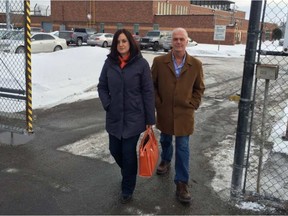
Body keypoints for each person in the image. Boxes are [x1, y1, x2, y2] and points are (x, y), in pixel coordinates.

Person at [97, 29, 155, 204]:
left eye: (124, 41)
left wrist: (149, 119)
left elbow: (147, 91)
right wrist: (108, 104)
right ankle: (128, 173)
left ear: (130, 43)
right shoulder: (109, 63)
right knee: (115, 150)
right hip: (114, 116)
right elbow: (101, 86)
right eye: (118, 42)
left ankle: (127, 188)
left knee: (128, 153)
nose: (121, 44)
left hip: (134, 117)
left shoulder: (141, 64)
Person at [151, 27, 205, 203]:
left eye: (182, 39)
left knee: (183, 148)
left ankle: (182, 183)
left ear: (187, 41)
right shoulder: (159, 62)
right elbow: (152, 85)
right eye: (175, 39)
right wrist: (157, 102)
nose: (179, 42)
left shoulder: (195, 64)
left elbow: (199, 88)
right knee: (165, 139)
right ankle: (165, 160)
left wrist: (193, 104)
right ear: (171, 42)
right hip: (165, 111)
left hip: (184, 114)